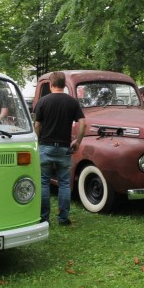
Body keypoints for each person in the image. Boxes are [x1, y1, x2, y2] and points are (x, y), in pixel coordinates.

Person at [34, 72, 87, 226]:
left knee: (44, 183)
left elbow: (37, 125)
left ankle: (44, 219)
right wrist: (78, 141)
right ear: (64, 85)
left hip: (46, 147)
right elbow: (83, 123)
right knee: (64, 183)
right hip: (64, 148)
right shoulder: (72, 102)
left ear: (51, 85)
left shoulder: (43, 102)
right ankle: (63, 219)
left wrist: (38, 141)